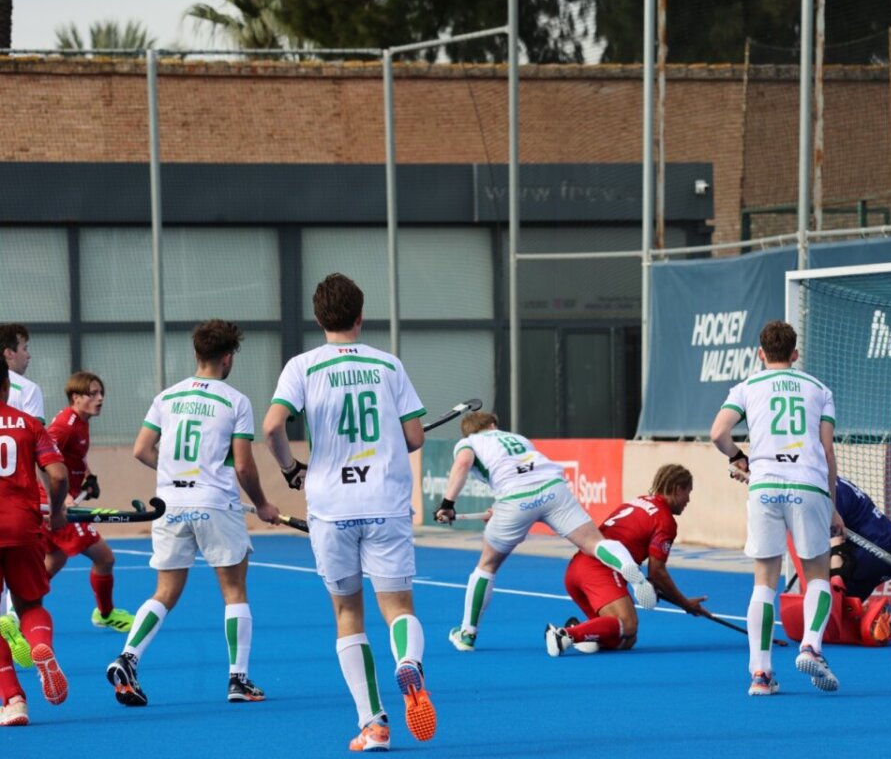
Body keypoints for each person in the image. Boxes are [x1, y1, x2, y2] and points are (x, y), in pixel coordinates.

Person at [263, 273, 436, 753]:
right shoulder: (388, 365)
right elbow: (416, 437)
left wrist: (290, 468)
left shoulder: (303, 366)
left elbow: (273, 426)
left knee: (347, 614)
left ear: (319, 319)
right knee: (398, 606)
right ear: (361, 316)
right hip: (385, 502)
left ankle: (373, 724)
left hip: (332, 506)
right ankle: (409, 662)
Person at [105, 320, 281, 708]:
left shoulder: (167, 397)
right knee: (234, 591)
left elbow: (141, 450)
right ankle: (238, 679)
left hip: (169, 504)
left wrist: (175, 475)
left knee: (164, 592)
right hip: (215, 503)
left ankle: (128, 657)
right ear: (227, 357)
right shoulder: (235, 400)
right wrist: (264, 504)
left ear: (197, 353)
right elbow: (244, 466)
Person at [435, 411, 657, 652]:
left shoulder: (468, 442)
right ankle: (629, 569)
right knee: (594, 543)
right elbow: (523, 476)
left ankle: (467, 634)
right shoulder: (517, 438)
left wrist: (447, 504)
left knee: (486, 566)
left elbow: (463, 464)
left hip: (515, 499)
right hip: (553, 488)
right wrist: (499, 509)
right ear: (493, 424)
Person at [710, 319, 844, 696]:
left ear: (760, 353)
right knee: (817, 574)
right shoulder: (819, 389)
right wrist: (833, 506)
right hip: (809, 485)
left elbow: (718, 433)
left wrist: (741, 458)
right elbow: (827, 450)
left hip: (765, 487)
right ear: (795, 354)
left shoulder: (747, 386)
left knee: (764, 582)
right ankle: (811, 647)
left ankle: (761, 674)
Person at [544, 463, 710, 656]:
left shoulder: (637, 502)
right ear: (676, 489)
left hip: (576, 570)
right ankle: (564, 635)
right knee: (628, 623)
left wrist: (649, 583)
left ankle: (585, 633)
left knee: (626, 639)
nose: (688, 500)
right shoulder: (665, 520)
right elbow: (657, 572)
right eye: (687, 493)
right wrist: (685, 604)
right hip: (598, 571)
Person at [0, 360, 70, 726]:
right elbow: (57, 474)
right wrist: (56, 512)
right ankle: (42, 645)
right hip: (24, 526)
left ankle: (13, 700)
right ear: (7, 386)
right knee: (30, 603)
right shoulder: (30, 425)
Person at [44, 371, 133, 632]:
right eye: (93, 393)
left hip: (58, 502)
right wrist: (62, 498)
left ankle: (16, 616)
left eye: (101, 392)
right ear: (76, 397)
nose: (100, 398)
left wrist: (87, 475)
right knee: (105, 558)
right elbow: (41, 460)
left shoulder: (81, 421)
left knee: (55, 559)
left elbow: (73, 456)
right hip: (58, 506)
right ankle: (105, 614)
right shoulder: (65, 426)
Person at [787, 477, 891, 647]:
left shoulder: (828, 493)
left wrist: (835, 580)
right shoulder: (823, 481)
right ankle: (875, 618)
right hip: (883, 546)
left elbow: (836, 543)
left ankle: (881, 618)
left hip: (877, 550)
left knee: (828, 582)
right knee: (846, 612)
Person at [0, 324, 46, 668]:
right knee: (31, 595)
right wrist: (55, 503)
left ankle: (12, 697)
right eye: (24, 347)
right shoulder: (28, 391)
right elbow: (38, 448)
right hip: (22, 503)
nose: (28, 353)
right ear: (8, 353)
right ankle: (22, 623)